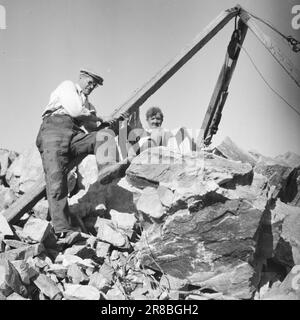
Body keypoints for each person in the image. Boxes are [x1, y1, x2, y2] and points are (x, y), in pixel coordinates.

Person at [36, 69, 124, 238]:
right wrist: (99, 118)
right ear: (81, 78)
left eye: (94, 85)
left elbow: (93, 128)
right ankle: (62, 229)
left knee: (103, 136)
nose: (91, 87)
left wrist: (114, 121)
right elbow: (75, 111)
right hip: (53, 131)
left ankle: (107, 168)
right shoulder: (68, 86)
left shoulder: (89, 105)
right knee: (56, 182)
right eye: (89, 82)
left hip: (74, 134)